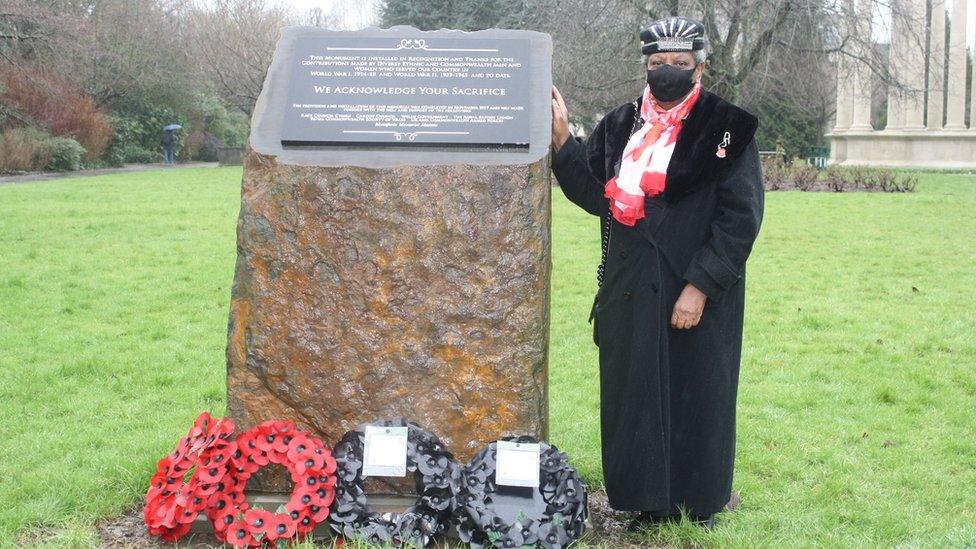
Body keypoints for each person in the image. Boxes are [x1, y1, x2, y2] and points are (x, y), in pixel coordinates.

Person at [550, 16, 764, 529]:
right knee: (636, 396)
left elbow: (741, 218)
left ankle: (699, 503)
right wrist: (562, 144)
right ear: (645, 66)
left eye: (680, 65)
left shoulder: (726, 128)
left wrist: (700, 286)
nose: (668, 72)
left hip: (695, 287)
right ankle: (647, 503)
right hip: (631, 288)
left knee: (698, 393)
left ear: (700, 68)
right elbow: (596, 195)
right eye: (657, 64)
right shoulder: (621, 125)